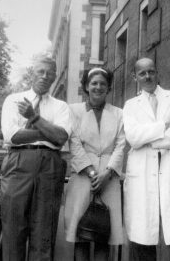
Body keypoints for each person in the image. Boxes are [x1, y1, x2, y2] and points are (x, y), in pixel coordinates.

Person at [122, 58, 170, 261]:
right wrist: (164, 124)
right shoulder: (130, 105)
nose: (147, 76)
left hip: (168, 171)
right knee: (142, 231)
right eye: (142, 73)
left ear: (157, 73)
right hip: (142, 173)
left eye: (151, 71)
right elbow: (133, 138)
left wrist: (149, 141)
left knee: (169, 231)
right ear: (135, 77)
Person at [0, 57, 72, 261]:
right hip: (18, 162)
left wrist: (34, 118)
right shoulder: (13, 100)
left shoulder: (61, 106)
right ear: (33, 72)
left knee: (44, 229)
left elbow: (60, 138)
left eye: (49, 72)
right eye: (40, 71)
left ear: (54, 75)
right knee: (14, 226)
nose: (45, 76)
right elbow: (12, 136)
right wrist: (47, 131)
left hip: (50, 165)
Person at [64, 68, 125, 260]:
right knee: (80, 234)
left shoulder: (119, 113)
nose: (98, 87)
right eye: (94, 83)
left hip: (109, 178)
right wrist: (91, 173)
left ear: (108, 88)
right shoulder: (73, 110)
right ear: (86, 86)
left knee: (104, 235)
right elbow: (73, 143)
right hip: (83, 176)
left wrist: (107, 174)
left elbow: (121, 145)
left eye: (103, 84)